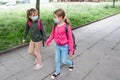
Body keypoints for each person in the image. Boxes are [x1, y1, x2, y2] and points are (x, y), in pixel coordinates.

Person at [45, 8, 74, 79]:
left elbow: (70, 39)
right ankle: (57, 72)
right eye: (54, 17)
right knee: (57, 60)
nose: (54, 19)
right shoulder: (55, 25)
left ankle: (71, 63)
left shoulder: (66, 27)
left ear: (61, 18)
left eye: (55, 17)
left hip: (65, 47)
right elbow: (52, 34)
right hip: (58, 46)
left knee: (64, 61)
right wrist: (48, 41)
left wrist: (71, 50)